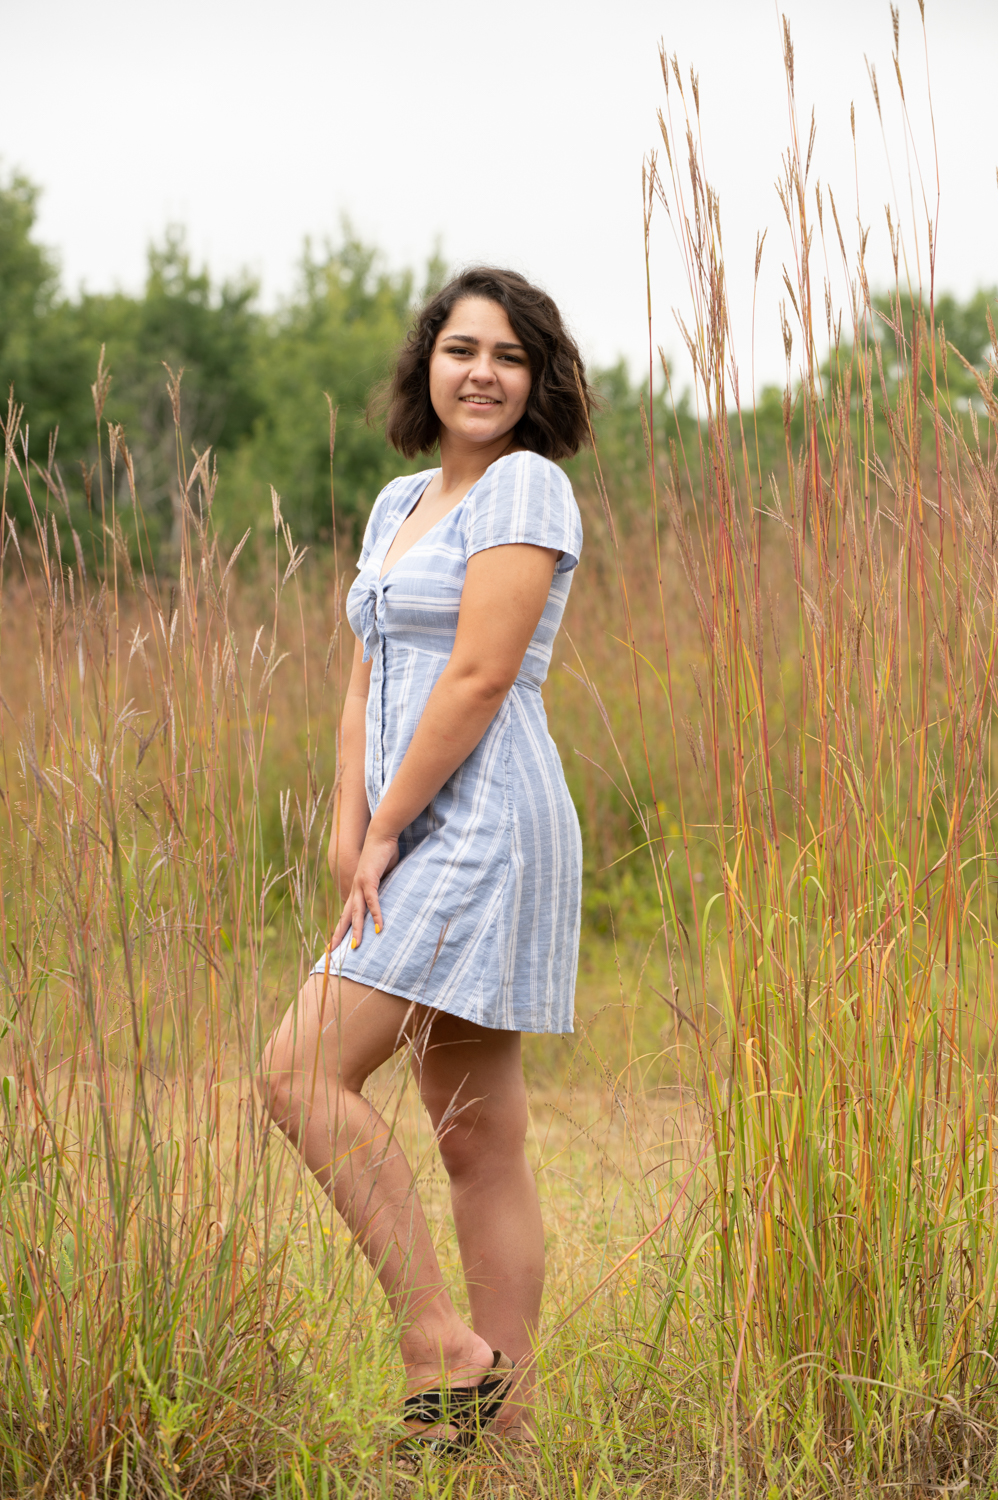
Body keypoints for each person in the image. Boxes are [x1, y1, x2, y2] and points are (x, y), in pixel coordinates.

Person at [260, 266, 595, 1451]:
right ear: (428, 364)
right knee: (473, 1135)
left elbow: (476, 676)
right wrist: (351, 824)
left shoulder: (527, 490)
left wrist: (394, 823)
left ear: (537, 379)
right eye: (462, 349)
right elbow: (366, 670)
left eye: (509, 355)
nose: (483, 373)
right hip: (406, 825)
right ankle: (501, 1441)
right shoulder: (400, 496)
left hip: (485, 823)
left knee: (297, 1073)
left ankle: (436, 1343)